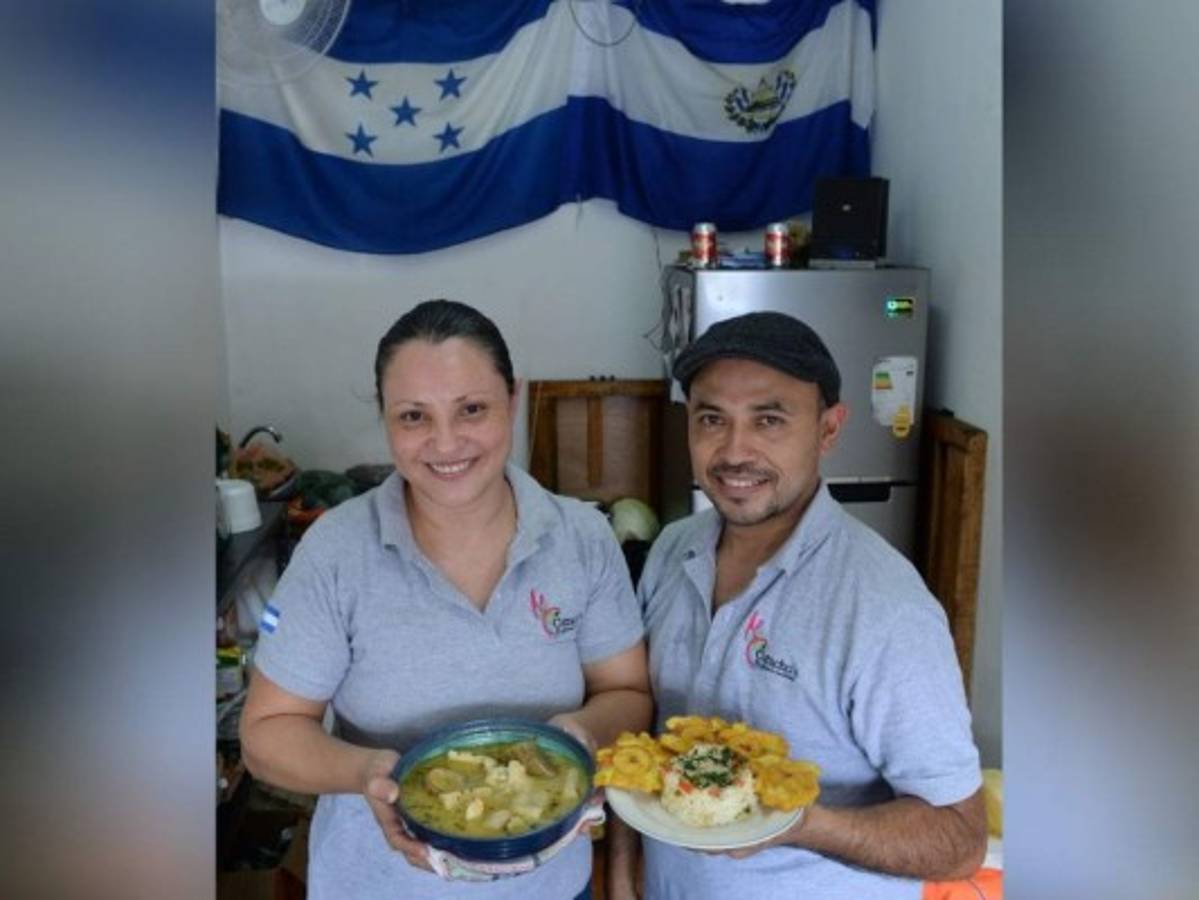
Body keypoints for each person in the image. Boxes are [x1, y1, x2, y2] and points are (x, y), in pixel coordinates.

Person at [240, 299, 653, 900]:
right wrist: (366, 773)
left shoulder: (581, 538)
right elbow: (267, 733)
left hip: (550, 887)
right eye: (413, 416)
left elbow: (628, 692)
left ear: (512, 401)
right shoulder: (336, 551)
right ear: (385, 419)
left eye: (472, 409)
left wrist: (580, 736)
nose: (446, 442)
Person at [606, 311, 986, 900]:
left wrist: (802, 824)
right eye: (712, 419)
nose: (735, 451)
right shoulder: (674, 552)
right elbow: (646, 743)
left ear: (828, 430)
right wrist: (626, 878)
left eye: (769, 419)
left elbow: (960, 839)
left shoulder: (885, 609)